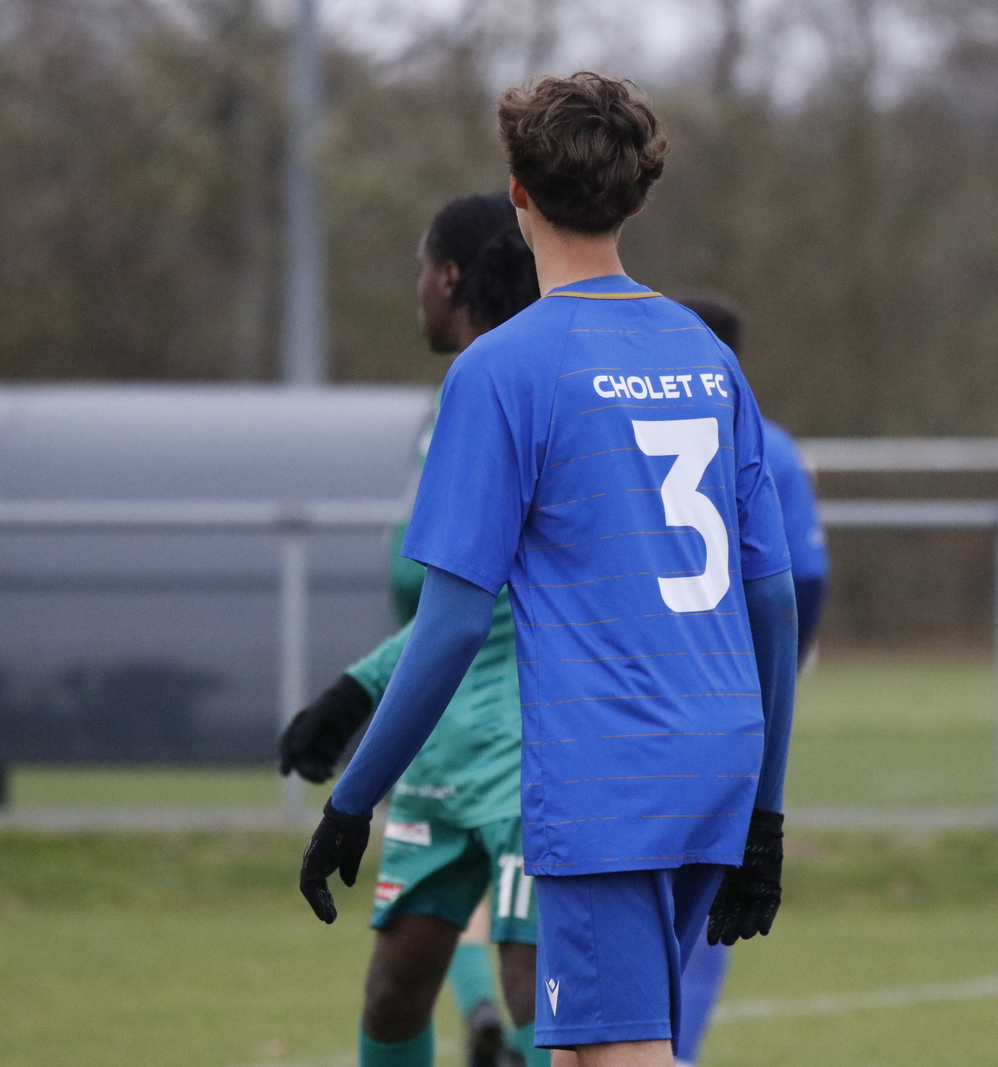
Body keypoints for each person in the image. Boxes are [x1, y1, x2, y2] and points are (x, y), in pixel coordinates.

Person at [298, 72, 799, 1067]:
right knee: (574, 1051)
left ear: (518, 191)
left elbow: (450, 623)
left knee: (617, 1056)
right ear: (638, 200)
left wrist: (353, 798)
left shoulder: (502, 368)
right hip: (718, 757)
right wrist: (767, 809)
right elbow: (772, 600)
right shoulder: (704, 354)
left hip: (609, 773)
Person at [279, 191, 549, 1067]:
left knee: (534, 990)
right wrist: (354, 692)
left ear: (451, 277)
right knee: (394, 990)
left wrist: (357, 692)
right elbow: (445, 599)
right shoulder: (451, 404)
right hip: (441, 742)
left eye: (420, 270)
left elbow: (485, 601)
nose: (417, 290)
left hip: (529, 740)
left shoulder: (523, 389)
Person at [669, 293, 828, 1067]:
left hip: (635, 691)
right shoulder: (770, 442)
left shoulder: (620, 426)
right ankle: (673, 1048)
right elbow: (806, 575)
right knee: (712, 874)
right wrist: (785, 668)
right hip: (731, 696)